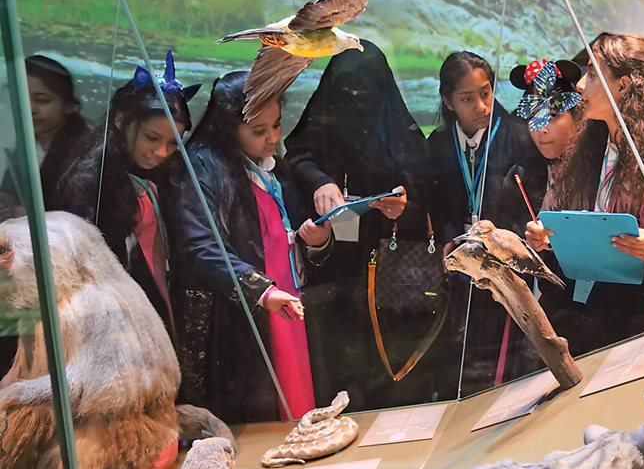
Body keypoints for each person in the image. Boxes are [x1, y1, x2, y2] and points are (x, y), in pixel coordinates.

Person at [285, 40, 448, 410]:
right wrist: (319, 181)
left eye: (364, 92)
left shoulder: (402, 136)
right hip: (333, 272)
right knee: (340, 369)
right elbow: (298, 156)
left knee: (393, 375)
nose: (355, 100)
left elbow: (426, 197)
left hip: (388, 277)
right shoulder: (322, 120)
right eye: (346, 92)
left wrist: (402, 208)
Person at [525, 34, 644, 356]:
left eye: (594, 75)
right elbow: (557, 210)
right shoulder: (583, 146)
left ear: (624, 86)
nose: (581, 85)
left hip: (636, 319)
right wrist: (546, 235)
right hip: (572, 311)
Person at [166, 71, 332, 423]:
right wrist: (259, 290)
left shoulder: (271, 167)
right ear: (230, 128)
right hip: (244, 309)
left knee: (298, 394)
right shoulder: (203, 167)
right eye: (259, 131)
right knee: (263, 409)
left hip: (286, 298)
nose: (273, 138)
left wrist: (317, 241)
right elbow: (198, 247)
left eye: (277, 126)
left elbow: (292, 228)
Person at [56, 50, 199, 336]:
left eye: (173, 143)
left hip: (154, 296)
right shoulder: (90, 181)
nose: (161, 152)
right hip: (111, 316)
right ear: (120, 120)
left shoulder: (163, 173)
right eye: (152, 138)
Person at [427, 51, 547, 393]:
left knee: (504, 355)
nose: (481, 105)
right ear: (448, 101)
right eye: (467, 98)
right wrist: (451, 234)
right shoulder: (438, 144)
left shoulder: (519, 138)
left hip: (505, 260)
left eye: (486, 92)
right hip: (462, 266)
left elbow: (530, 203)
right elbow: (440, 205)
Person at [25, 55, 89, 206]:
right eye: (22, 99)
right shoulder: (24, 143)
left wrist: (35, 216)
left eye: (42, 100)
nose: (29, 109)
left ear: (68, 105)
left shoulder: (83, 155)